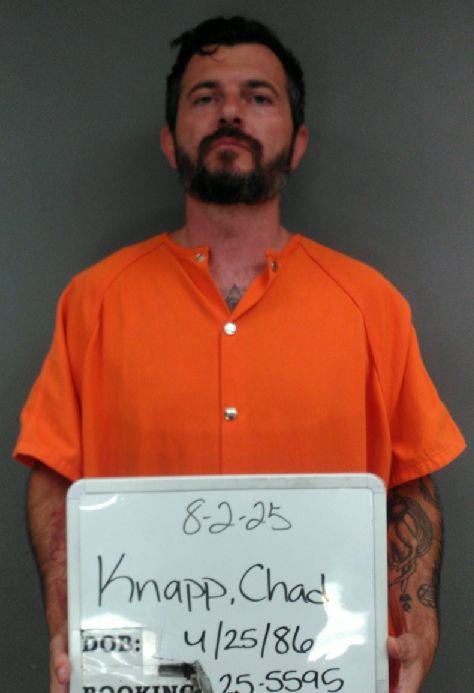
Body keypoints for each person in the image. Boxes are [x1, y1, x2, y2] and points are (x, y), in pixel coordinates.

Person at [13, 16, 465, 693]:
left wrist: (421, 621)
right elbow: (56, 472)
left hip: (322, 673)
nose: (230, 111)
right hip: (140, 674)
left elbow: (410, 480)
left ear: (298, 141)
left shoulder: (371, 304)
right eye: (206, 96)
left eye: (258, 96)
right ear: (169, 141)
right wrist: (65, 622)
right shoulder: (93, 299)